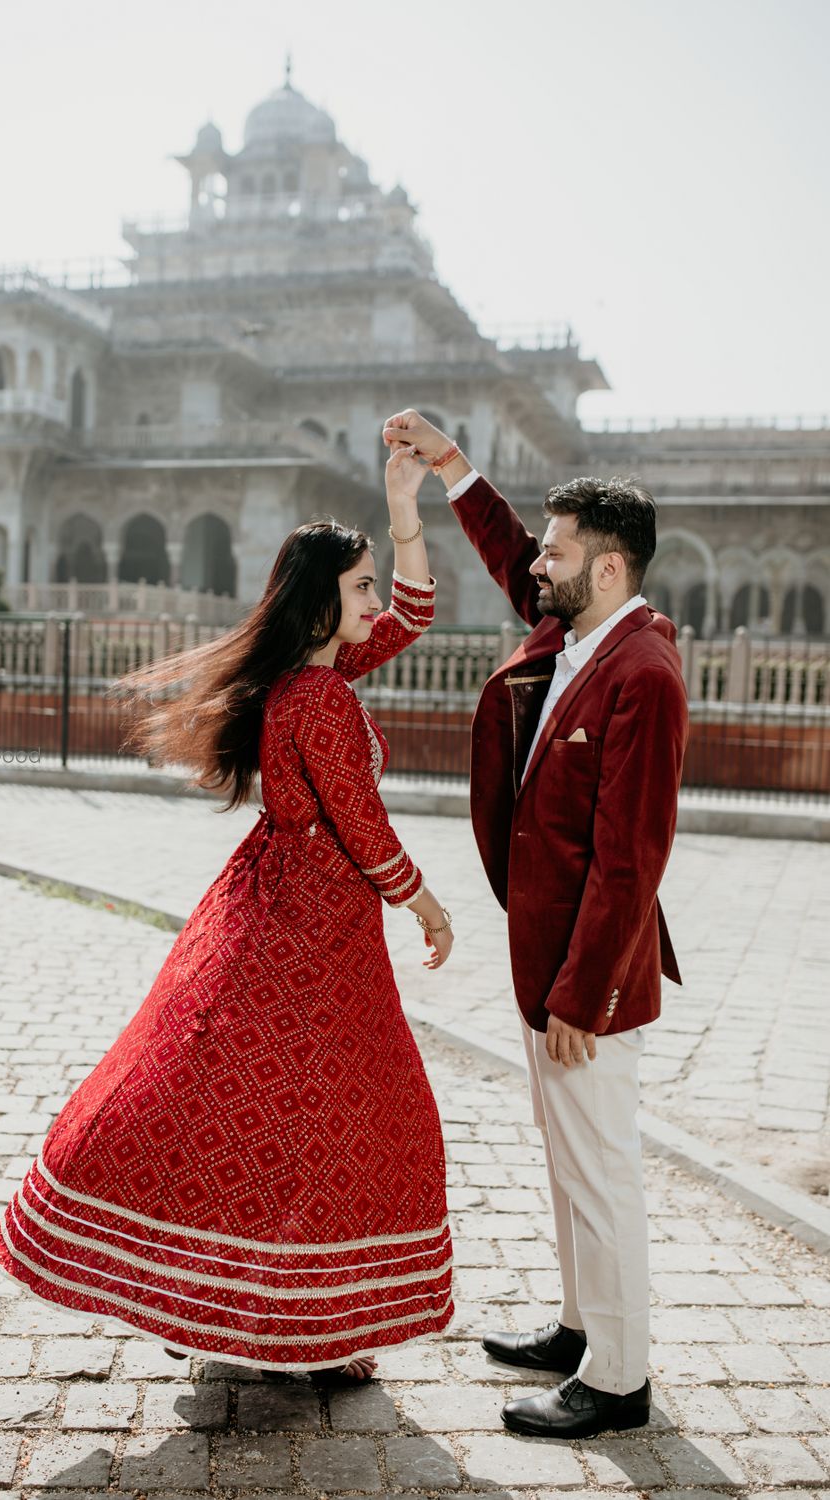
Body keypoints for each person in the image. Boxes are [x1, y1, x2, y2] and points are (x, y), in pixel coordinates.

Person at [0, 443, 456, 1380]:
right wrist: (426, 903)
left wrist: (405, 510)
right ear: (324, 602)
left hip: (285, 914)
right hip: (312, 931)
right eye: (361, 588)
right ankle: (285, 1319)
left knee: (267, 1109)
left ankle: (259, 1310)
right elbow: (362, 824)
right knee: (326, 1113)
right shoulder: (320, 694)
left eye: (372, 587)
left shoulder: (313, 678)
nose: (377, 604)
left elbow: (415, 613)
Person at [381, 410, 690, 1438]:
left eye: (556, 554)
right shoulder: (577, 629)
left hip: (583, 979)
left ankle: (618, 1379)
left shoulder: (642, 672)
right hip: (545, 956)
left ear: (605, 568)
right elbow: (510, 549)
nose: (535, 568)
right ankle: (578, 1328)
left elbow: (629, 859)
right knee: (567, 1164)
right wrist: (452, 468)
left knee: (600, 1172)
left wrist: (582, 996)